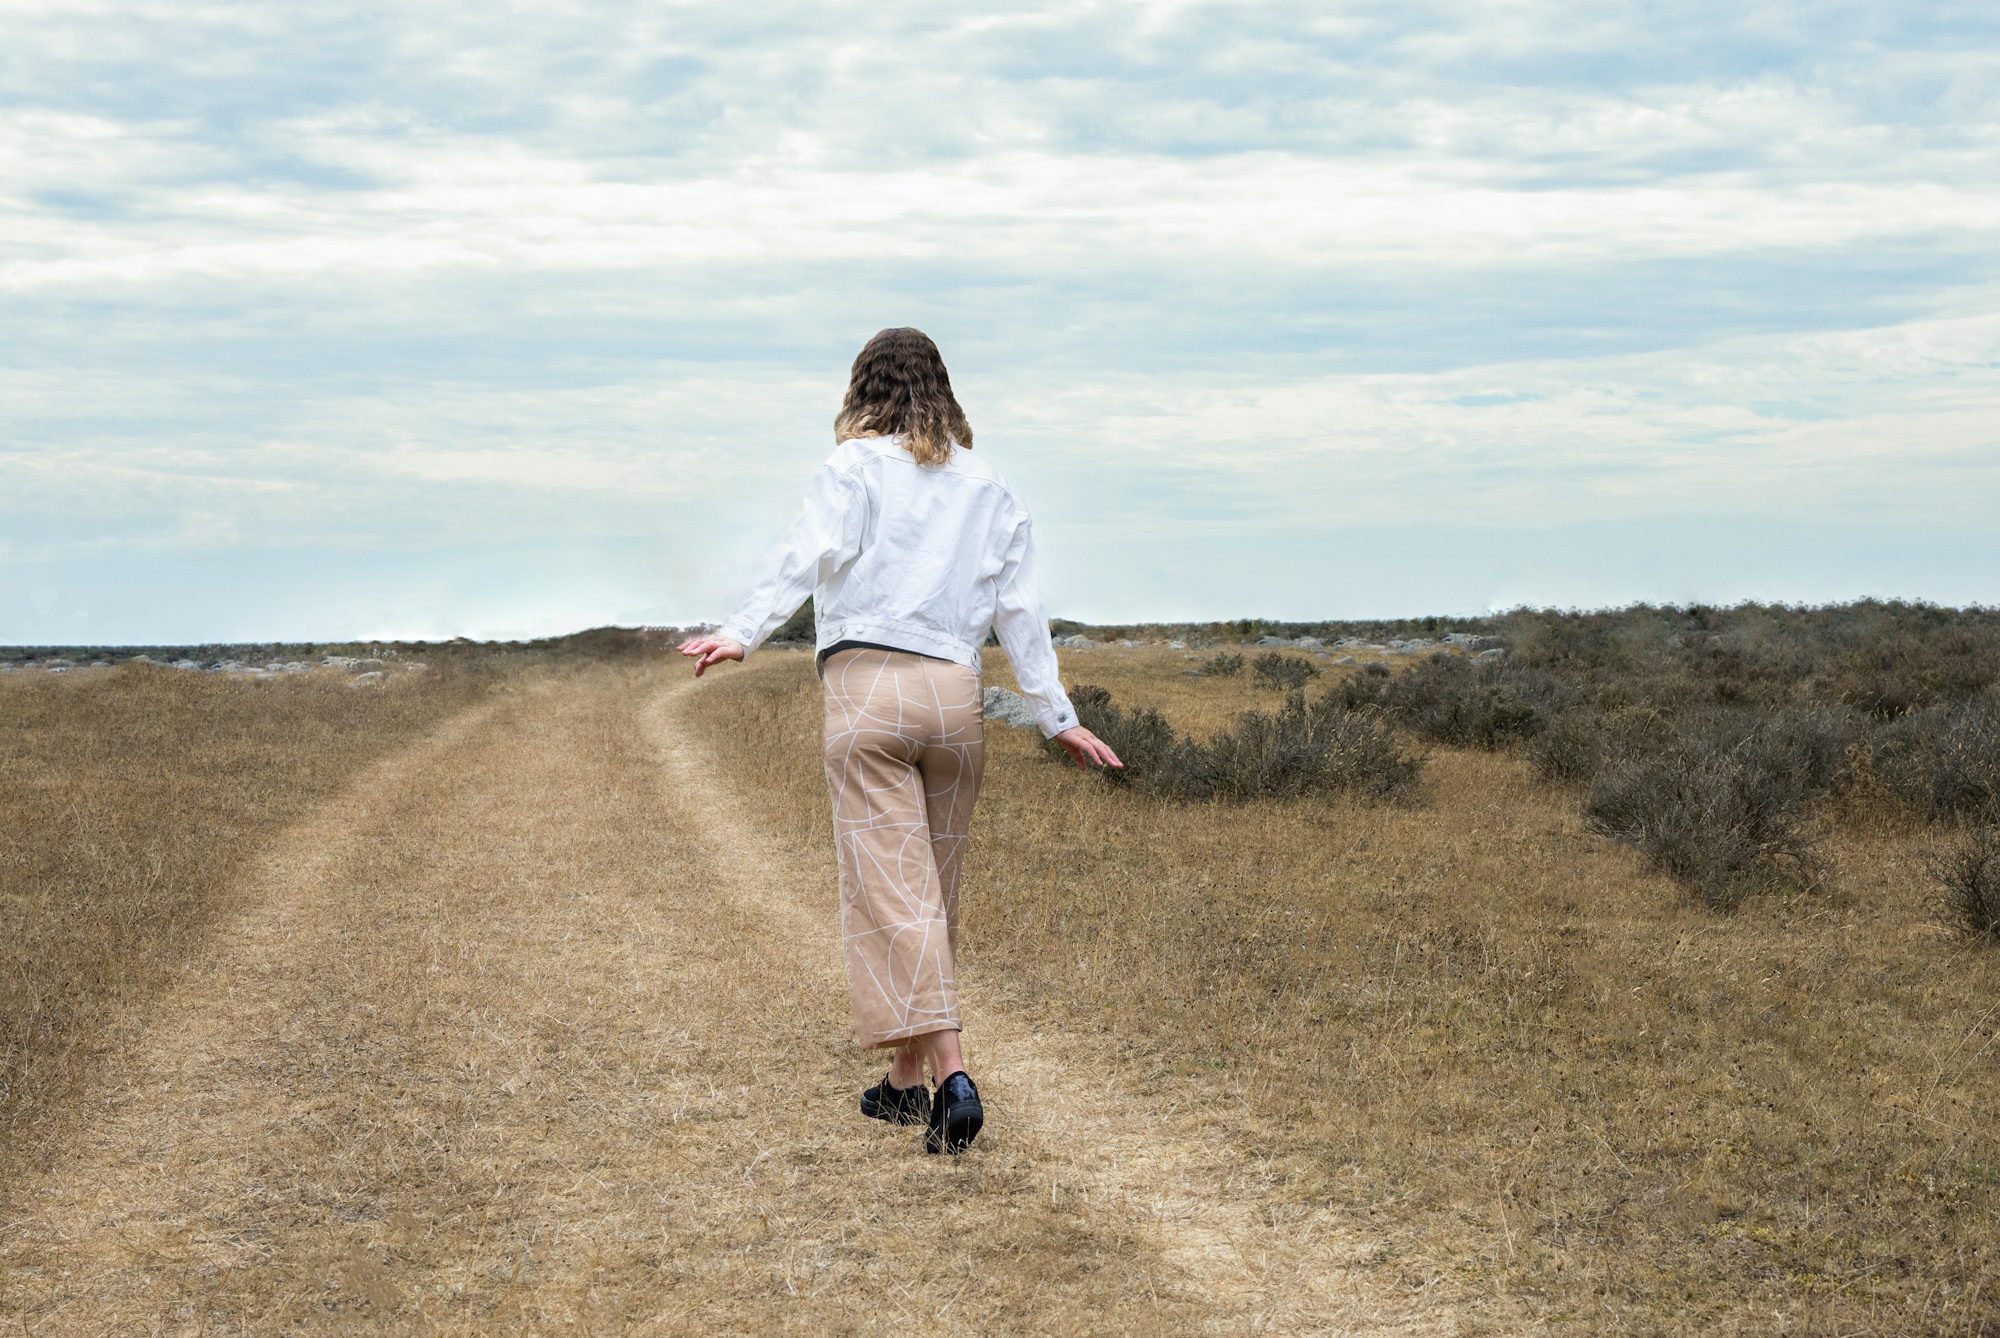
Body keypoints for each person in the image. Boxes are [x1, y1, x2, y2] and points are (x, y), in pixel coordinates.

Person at [679, 327, 1122, 1154]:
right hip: (956, 699)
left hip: (869, 690)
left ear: (864, 389)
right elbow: (1020, 612)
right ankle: (902, 1086)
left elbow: (806, 554)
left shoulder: (854, 467)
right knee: (930, 892)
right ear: (943, 389)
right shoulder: (992, 486)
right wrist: (1056, 715)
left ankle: (952, 1073)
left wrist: (742, 631)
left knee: (892, 889)